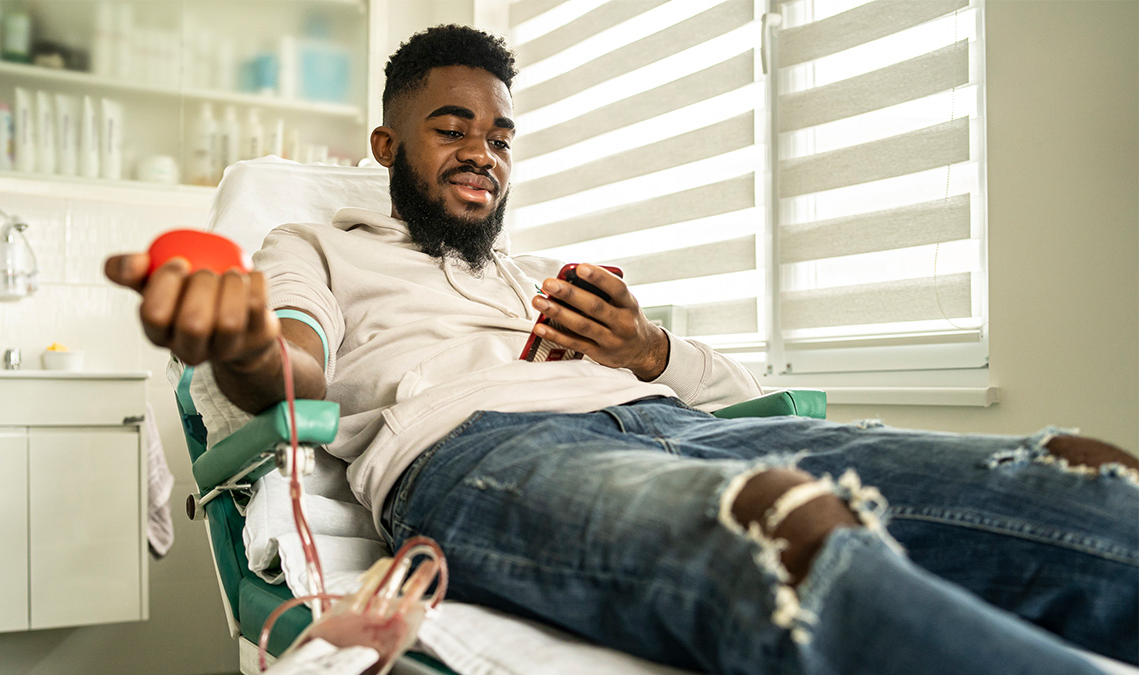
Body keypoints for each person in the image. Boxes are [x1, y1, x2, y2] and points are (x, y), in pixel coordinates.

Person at [107, 25, 1138, 675]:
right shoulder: (316, 245)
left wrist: (648, 349)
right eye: (451, 126)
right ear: (389, 148)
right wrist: (245, 346)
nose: (482, 149)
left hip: (668, 426)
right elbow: (294, 364)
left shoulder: (541, 271)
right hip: (483, 454)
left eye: (501, 134)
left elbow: (747, 401)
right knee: (781, 536)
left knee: (1082, 478)